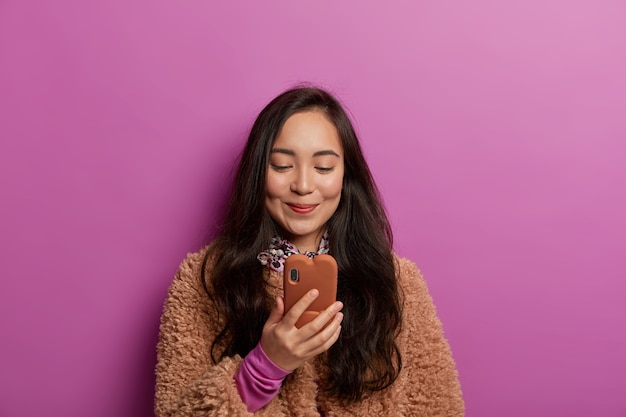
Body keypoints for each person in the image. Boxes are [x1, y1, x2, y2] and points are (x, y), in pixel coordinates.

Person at [154, 86, 464, 416]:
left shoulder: (396, 281)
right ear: (259, 173)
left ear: (346, 177)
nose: (303, 185)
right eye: (283, 166)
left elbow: (439, 407)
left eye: (324, 168)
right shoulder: (206, 280)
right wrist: (265, 367)